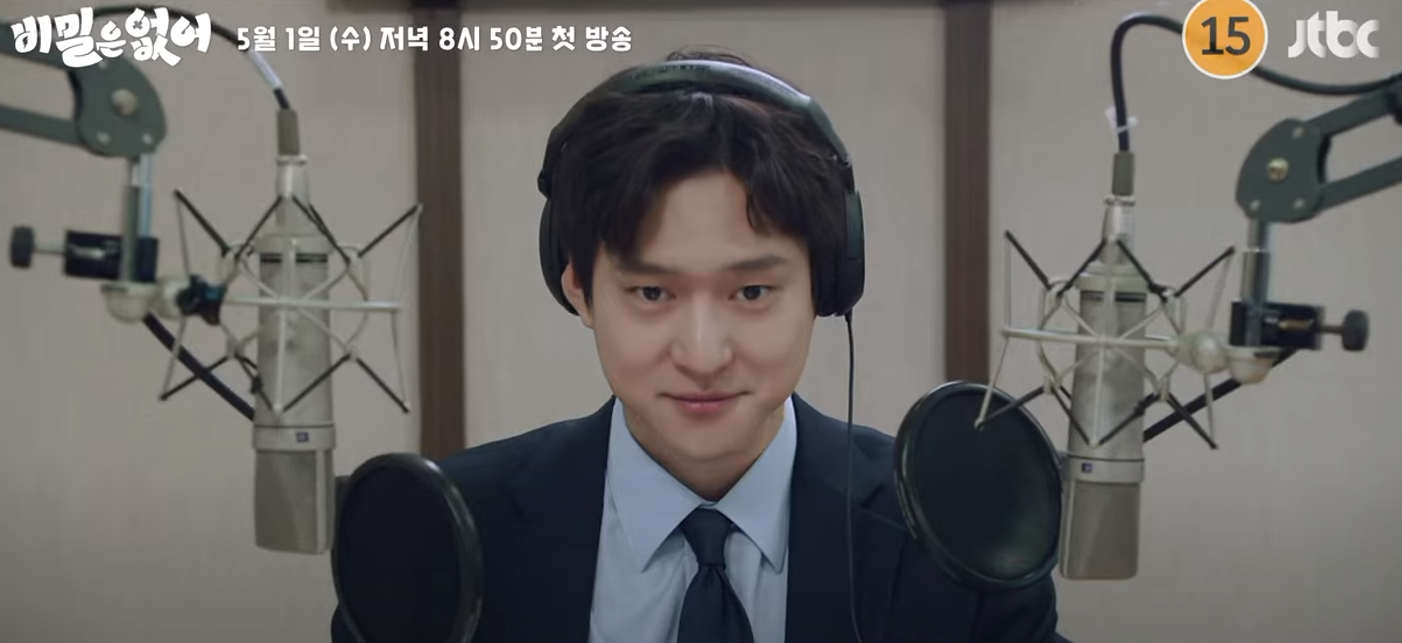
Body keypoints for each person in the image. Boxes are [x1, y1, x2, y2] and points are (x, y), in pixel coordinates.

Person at [332, 47, 1069, 643]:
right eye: (653, 294)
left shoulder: (958, 541)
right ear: (578, 288)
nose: (704, 353)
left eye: (752, 293)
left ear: (828, 284)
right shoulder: (438, 536)